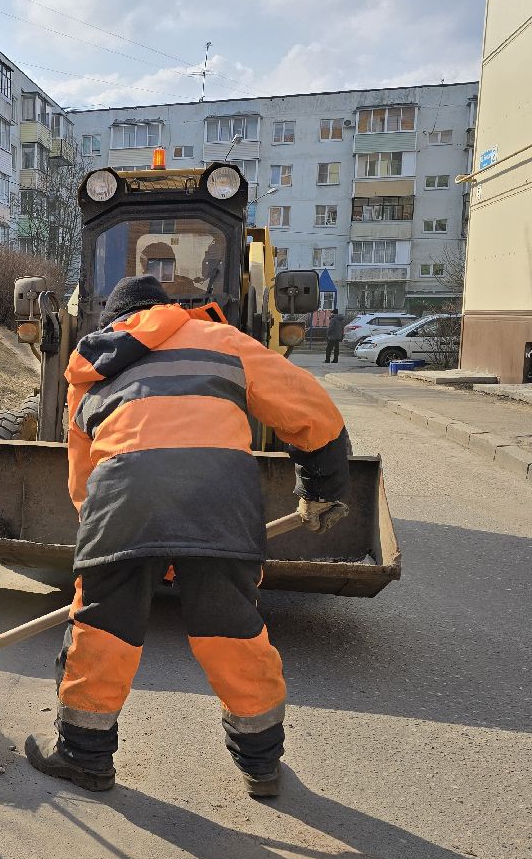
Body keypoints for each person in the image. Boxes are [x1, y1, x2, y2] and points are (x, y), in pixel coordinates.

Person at [25, 275, 351, 797]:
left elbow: (83, 476)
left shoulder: (91, 367)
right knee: (232, 630)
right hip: (220, 496)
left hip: (123, 497)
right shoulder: (223, 340)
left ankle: (84, 756)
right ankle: (261, 765)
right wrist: (321, 487)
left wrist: (117, 542)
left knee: (103, 627)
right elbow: (312, 410)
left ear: (114, 323)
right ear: (169, 308)